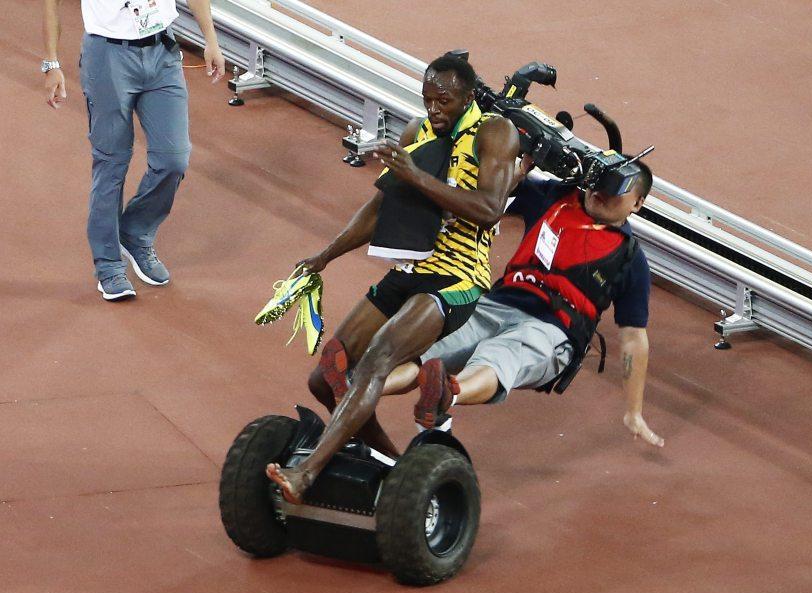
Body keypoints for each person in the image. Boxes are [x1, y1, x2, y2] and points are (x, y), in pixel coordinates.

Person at [265, 55, 520, 503]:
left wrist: (416, 175)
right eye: (428, 100)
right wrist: (325, 256)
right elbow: (380, 208)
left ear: (467, 97)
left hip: (457, 278)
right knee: (326, 378)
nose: (435, 110)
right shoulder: (414, 134)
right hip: (409, 269)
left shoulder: (494, 133)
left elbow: (489, 209)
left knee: (376, 361)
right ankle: (392, 466)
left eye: (444, 101)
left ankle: (306, 473)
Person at [387, 158, 664, 446]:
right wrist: (521, 168)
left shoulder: (631, 259)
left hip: (553, 331)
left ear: (637, 204)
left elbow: (634, 338)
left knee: (500, 354)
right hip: (497, 304)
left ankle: (448, 394)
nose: (601, 192)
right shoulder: (556, 197)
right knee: (428, 346)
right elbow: (496, 195)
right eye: (598, 182)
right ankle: (363, 383)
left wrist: (634, 412)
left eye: (615, 190)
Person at [42, 0, 225, 301]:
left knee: (174, 159)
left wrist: (211, 41)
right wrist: (51, 64)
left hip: (161, 52)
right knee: (112, 162)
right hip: (108, 57)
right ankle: (108, 264)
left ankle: (135, 232)